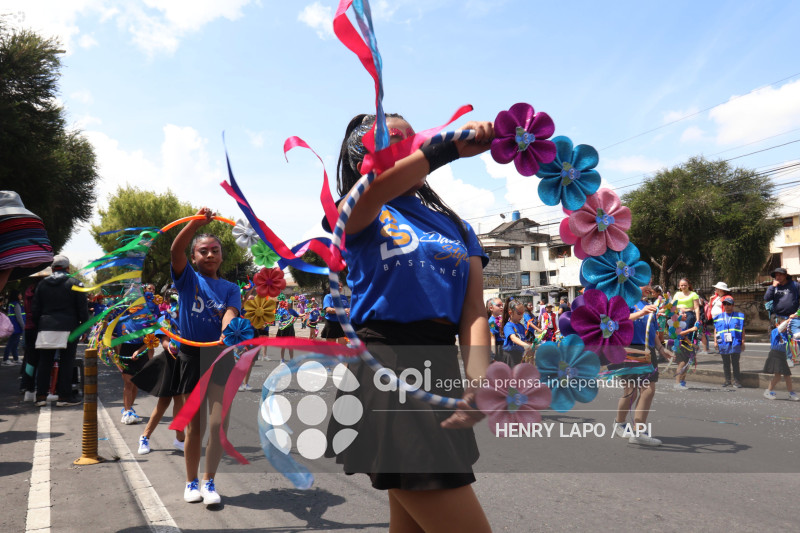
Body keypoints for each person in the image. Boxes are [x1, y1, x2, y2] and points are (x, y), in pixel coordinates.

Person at [324, 113, 493, 532]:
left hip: (441, 371)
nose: (407, 145)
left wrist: (478, 378)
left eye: (410, 138)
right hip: (388, 368)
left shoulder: (456, 225)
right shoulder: (360, 209)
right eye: (391, 141)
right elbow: (376, 189)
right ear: (364, 155)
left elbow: (472, 310)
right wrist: (446, 149)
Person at [170, 207, 241, 507]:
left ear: (222, 256)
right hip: (190, 356)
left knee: (217, 425)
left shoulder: (231, 288)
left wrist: (226, 331)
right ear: (195, 257)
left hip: (220, 354)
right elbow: (175, 248)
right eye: (203, 251)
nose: (210, 255)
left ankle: (209, 481)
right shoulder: (187, 279)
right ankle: (190, 482)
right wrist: (195, 223)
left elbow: (231, 312)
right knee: (195, 426)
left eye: (215, 250)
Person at [32, 255, 88, 407]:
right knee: (66, 362)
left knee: (45, 362)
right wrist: (85, 328)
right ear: (67, 268)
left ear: (52, 268)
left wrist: (40, 325)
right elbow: (83, 309)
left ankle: (41, 396)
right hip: (69, 327)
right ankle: (64, 397)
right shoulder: (75, 283)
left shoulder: (42, 284)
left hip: (46, 326)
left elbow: (35, 309)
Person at [612, 284, 661, 446]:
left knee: (648, 390)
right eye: (645, 282)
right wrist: (641, 313)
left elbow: (650, 329)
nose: (649, 286)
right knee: (631, 392)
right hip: (629, 349)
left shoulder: (645, 303)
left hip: (648, 350)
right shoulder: (623, 301)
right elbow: (617, 321)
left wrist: (661, 348)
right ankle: (620, 423)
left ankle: (638, 432)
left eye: (650, 283)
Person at [133, 332, 186, 454]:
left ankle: (180, 438)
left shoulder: (189, 317)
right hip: (169, 363)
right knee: (164, 401)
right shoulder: (168, 317)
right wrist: (171, 347)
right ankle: (145, 437)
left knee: (179, 400)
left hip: (184, 362)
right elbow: (164, 341)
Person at [762, 315, 800, 400]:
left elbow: (796, 335)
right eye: (784, 325)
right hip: (775, 355)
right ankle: (768, 391)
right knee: (778, 376)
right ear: (777, 324)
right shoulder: (775, 331)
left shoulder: (785, 334)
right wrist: (790, 319)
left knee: (787, 375)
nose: (786, 327)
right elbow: (781, 327)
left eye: (787, 326)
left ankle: (791, 393)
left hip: (782, 356)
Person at [713, 296, 745, 388]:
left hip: (735, 342)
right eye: (725, 304)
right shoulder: (719, 317)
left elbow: (743, 329)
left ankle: (737, 381)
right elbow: (716, 330)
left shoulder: (739, 316)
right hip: (723, 342)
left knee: (735, 362)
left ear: (733, 305)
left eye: (729, 304)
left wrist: (743, 341)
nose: (727, 306)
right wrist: (715, 342)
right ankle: (727, 380)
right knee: (726, 362)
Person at [501, 299, 533, 367]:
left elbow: (523, 340)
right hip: (510, 356)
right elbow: (513, 338)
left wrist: (531, 345)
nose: (521, 316)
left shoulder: (521, 326)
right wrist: (525, 345)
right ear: (510, 313)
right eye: (519, 313)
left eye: (522, 313)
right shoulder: (508, 326)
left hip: (519, 355)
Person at [3, 289, 24, 364]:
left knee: (15, 343)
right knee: (12, 343)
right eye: (20, 294)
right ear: (16, 295)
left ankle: (16, 358)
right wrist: (23, 326)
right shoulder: (16, 304)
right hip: (16, 326)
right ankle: (6, 359)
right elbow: (19, 317)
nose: (21, 296)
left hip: (13, 326)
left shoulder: (11, 303)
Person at [486, 297, 503, 362]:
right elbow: (492, 338)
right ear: (491, 308)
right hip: (498, 347)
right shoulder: (492, 321)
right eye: (498, 305)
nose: (501, 307)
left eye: (502, 305)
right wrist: (493, 355)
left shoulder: (500, 319)